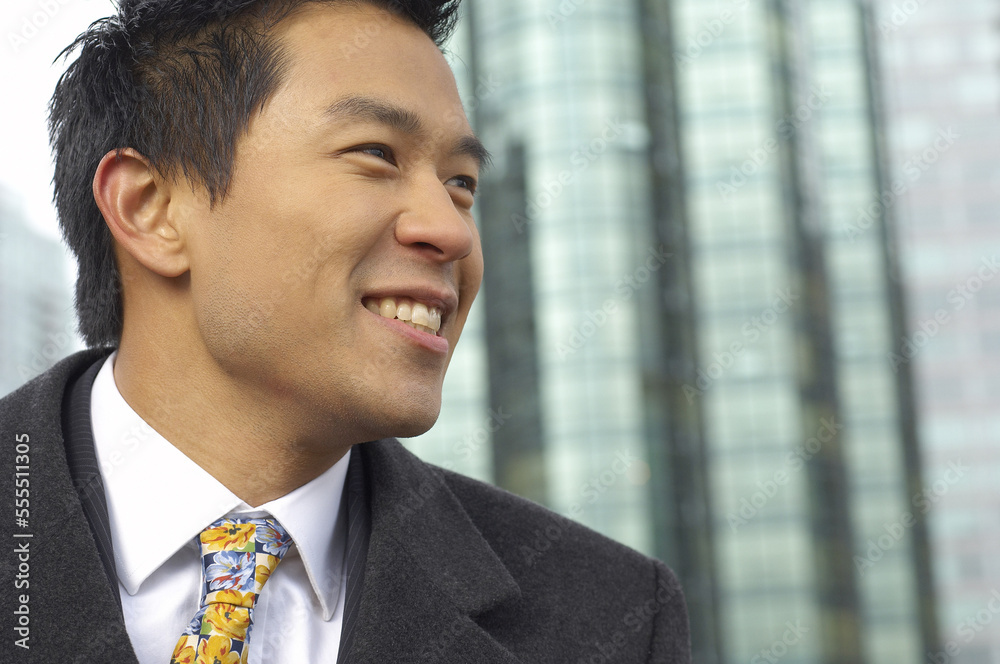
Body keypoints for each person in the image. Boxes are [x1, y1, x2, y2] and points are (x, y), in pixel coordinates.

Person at [0, 0, 691, 662]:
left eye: (461, 184)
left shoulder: (610, 615)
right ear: (150, 208)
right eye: (377, 154)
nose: (452, 231)